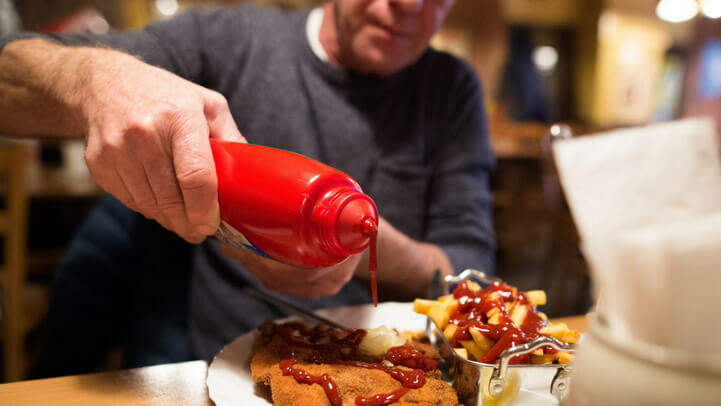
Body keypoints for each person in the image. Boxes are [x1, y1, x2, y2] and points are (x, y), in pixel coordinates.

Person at [0, 0, 495, 375]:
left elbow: (471, 270)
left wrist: (369, 244)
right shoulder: (232, 38)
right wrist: (94, 79)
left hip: (380, 368)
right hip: (222, 364)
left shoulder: (451, 89)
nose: (410, 6)